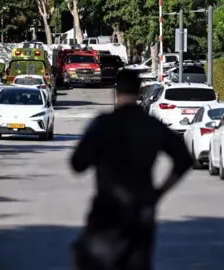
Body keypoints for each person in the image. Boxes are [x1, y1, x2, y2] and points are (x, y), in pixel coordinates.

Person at [70, 69, 193, 270]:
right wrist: (160, 192)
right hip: (141, 211)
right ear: (139, 92)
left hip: (108, 211)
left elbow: (77, 164)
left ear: (116, 92)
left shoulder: (103, 125)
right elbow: (184, 159)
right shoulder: (151, 125)